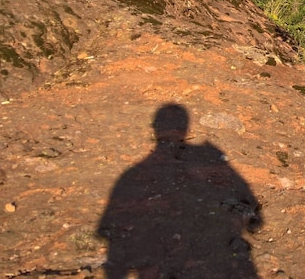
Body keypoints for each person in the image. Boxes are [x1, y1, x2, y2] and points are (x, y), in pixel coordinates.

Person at [98, 104, 262, 278]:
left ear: (155, 128)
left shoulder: (131, 176)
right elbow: (255, 221)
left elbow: (114, 237)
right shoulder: (207, 163)